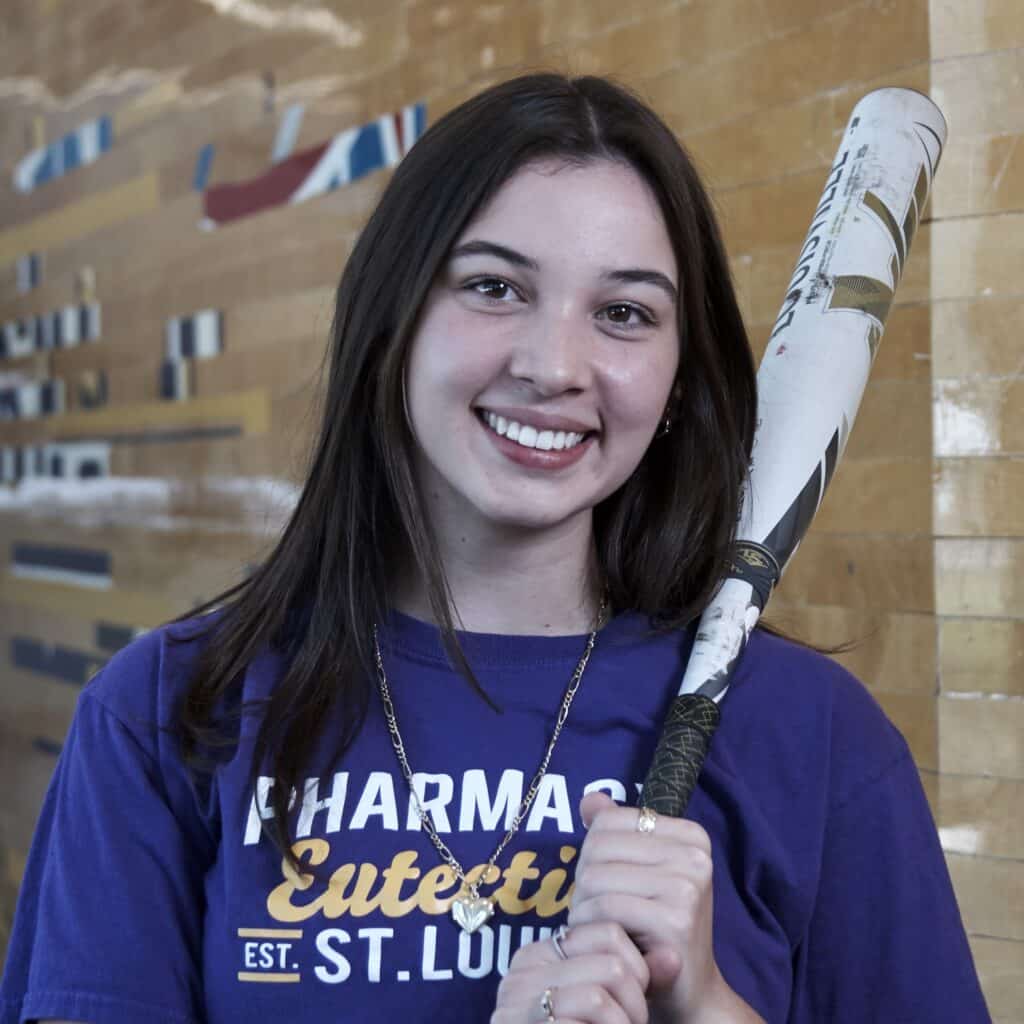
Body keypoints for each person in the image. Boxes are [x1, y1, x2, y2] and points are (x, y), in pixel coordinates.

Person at [0, 73, 989, 1024]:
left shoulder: (814, 739)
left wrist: (705, 1009)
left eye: (624, 312)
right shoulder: (167, 714)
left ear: (678, 380)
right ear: (392, 320)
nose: (552, 365)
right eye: (494, 287)